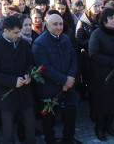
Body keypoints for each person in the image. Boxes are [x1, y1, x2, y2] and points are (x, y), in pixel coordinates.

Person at [0, 16, 35, 144]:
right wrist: (12, 81)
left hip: (25, 93)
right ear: (6, 31)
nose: (19, 35)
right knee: (8, 130)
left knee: (30, 125)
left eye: (19, 32)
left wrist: (29, 75)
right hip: (6, 95)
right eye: (16, 33)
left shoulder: (24, 44)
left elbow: (30, 62)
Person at [32, 14, 79, 144]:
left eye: (61, 24)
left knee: (70, 115)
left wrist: (70, 78)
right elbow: (44, 67)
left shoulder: (65, 38)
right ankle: (50, 140)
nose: (59, 27)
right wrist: (64, 80)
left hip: (68, 86)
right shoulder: (39, 43)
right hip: (49, 88)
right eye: (55, 24)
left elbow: (73, 59)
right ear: (47, 25)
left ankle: (68, 139)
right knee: (48, 119)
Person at [88, 8, 114, 141]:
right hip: (102, 75)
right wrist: (113, 62)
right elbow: (93, 54)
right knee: (102, 103)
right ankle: (99, 128)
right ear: (104, 20)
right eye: (111, 18)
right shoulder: (97, 34)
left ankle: (109, 126)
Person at [75, 0, 101, 119]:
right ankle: (93, 112)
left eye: (99, 6)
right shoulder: (82, 22)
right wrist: (94, 40)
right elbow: (79, 41)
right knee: (91, 86)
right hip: (88, 58)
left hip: (100, 57)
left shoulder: (101, 19)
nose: (97, 8)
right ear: (89, 8)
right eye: (95, 6)